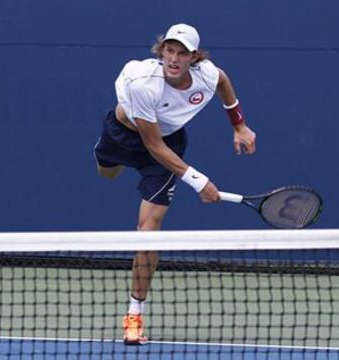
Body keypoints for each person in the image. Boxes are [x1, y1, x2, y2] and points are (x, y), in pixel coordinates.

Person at [94, 23, 256, 345]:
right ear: (161, 51)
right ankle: (109, 161)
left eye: (182, 53)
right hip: (124, 135)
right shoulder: (144, 84)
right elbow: (150, 144)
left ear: (194, 58)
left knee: (148, 233)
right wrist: (198, 181)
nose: (174, 58)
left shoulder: (206, 75)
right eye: (169, 50)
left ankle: (133, 316)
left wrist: (239, 125)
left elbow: (222, 81)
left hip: (166, 147)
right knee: (107, 173)